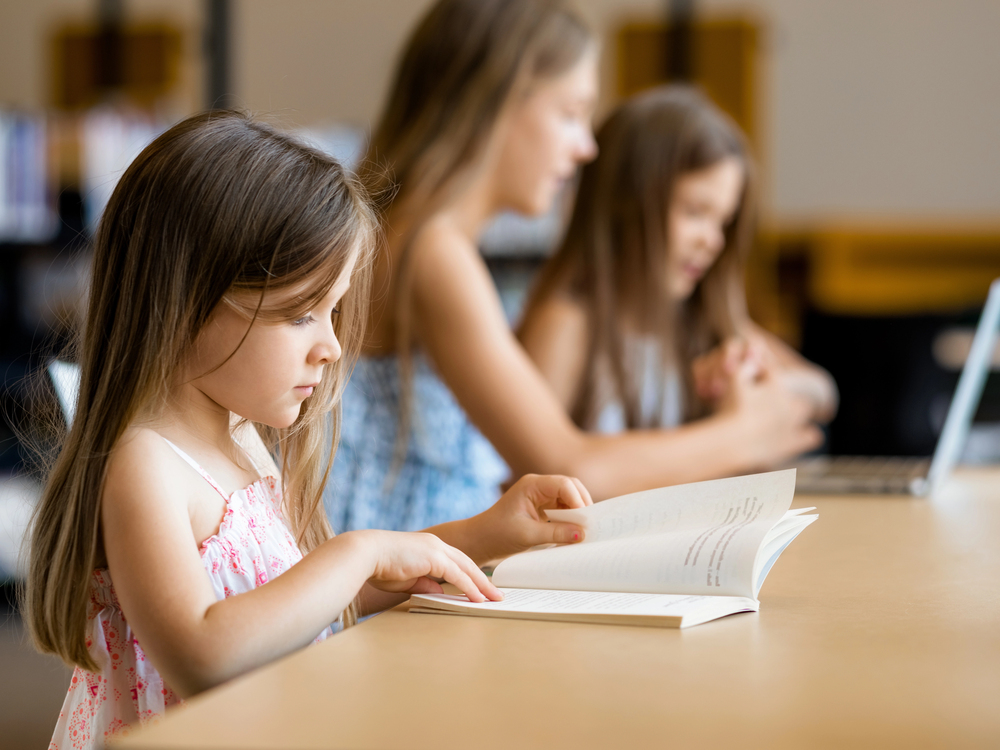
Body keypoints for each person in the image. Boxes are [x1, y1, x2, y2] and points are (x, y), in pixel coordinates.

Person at [25, 111, 591, 749]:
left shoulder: (243, 440)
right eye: (300, 314)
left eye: (334, 310)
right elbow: (202, 655)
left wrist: (484, 532)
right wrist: (357, 552)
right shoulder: (147, 468)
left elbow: (309, 603)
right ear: (186, 301)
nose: (328, 347)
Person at [327, 0, 824, 535]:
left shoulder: (426, 239)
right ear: (498, 102)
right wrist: (744, 433)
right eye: (570, 113)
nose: (586, 147)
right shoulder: (431, 251)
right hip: (391, 602)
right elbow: (567, 466)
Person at [518, 85, 837, 458]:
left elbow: (824, 392)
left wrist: (754, 371)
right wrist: (737, 432)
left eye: (723, 222)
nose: (713, 242)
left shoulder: (698, 319)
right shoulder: (568, 323)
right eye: (695, 212)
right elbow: (532, 472)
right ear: (626, 203)